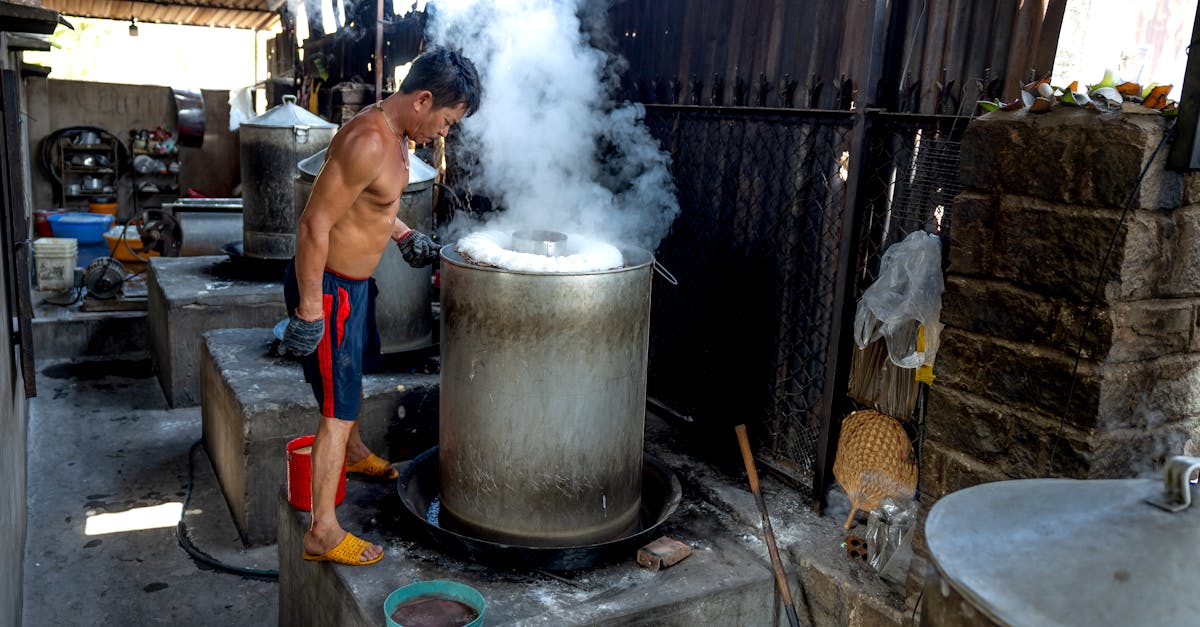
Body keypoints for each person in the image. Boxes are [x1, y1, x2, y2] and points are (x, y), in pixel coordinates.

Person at [278, 46, 482, 566]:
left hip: (357, 287)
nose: (444, 133)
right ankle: (322, 530)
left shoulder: (394, 137)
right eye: (446, 120)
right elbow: (313, 224)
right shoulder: (368, 140)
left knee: (357, 376)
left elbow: (367, 205)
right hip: (329, 289)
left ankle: (353, 452)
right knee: (337, 407)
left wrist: (401, 232)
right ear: (424, 99)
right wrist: (309, 309)